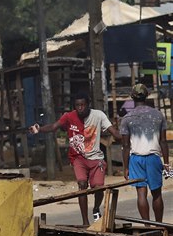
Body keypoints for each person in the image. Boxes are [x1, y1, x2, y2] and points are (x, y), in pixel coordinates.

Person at [29, 93, 121, 225]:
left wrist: (125, 137)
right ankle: (85, 221)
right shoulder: (69, 117)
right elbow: (54, 127)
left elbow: (115, 133)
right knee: (82, 184)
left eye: (83, 105)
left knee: (98, 187)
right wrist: (39, 129)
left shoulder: (99, 115)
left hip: (96, 158)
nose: (80, 108)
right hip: (78, 158)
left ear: (88, 105)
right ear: (74, 106)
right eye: (78, 105)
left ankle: (96, 208)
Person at [120, 84, 170, 222]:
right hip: (154, 158)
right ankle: (159, 225)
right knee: (156, 193)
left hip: (135, 159)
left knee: (141, 194)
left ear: (132, 96)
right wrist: (166, 163)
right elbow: (163, 142)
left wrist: (126, 167)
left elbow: (125, 145)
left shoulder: (127, 118)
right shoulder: (158, 115)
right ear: (147, 95)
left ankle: (146, 226)